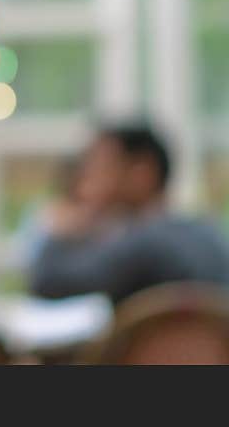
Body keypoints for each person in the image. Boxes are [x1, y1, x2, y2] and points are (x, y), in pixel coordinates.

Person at [28, 125, 229, 304]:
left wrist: (61, 230)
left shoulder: (145, 242)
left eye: (101, 167)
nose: (86, 181)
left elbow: (48, 283)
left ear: (141, 174)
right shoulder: (204, 232)